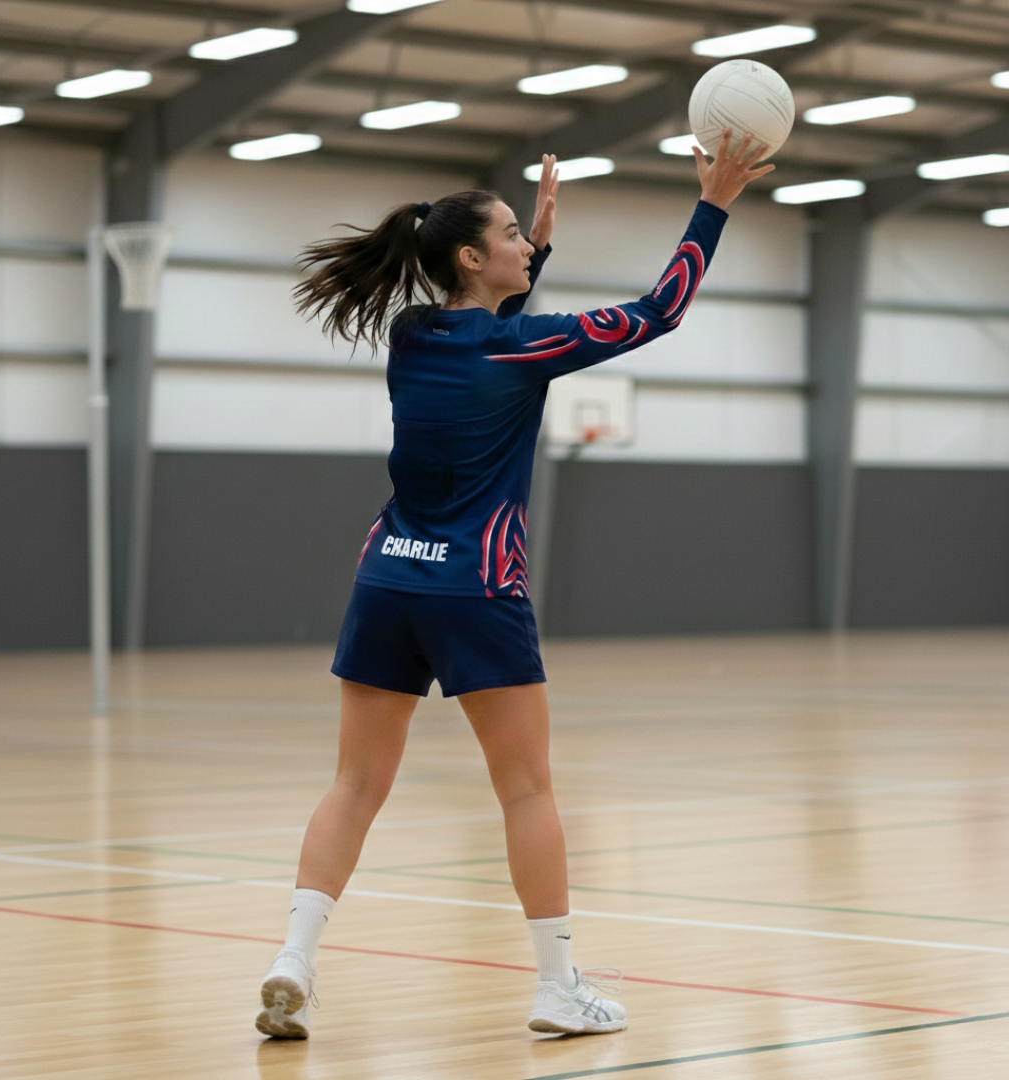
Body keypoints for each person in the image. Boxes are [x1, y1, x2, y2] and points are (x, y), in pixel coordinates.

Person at [255, 131, 773, 1040]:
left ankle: (293, 958)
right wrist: (715, 202)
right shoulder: (524, 346)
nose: (525, 244)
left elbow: (484, 326)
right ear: (470, 256)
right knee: (527, 792)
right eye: (509, 234)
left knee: (354, 785)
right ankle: (556, 987)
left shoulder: (413, 335)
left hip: (387, 578)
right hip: (477, 588)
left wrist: (536, 247)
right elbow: (661, 310)